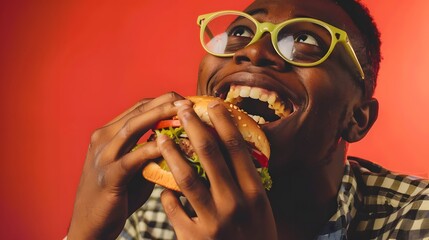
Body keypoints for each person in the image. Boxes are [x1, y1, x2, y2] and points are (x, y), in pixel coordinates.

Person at [67, 0, 429, 239]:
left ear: (357, 119)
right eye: (240, 31)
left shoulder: (417, 220)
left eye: (304, 39)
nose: (253, 50)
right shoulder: (154, 211)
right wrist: (85, 234)